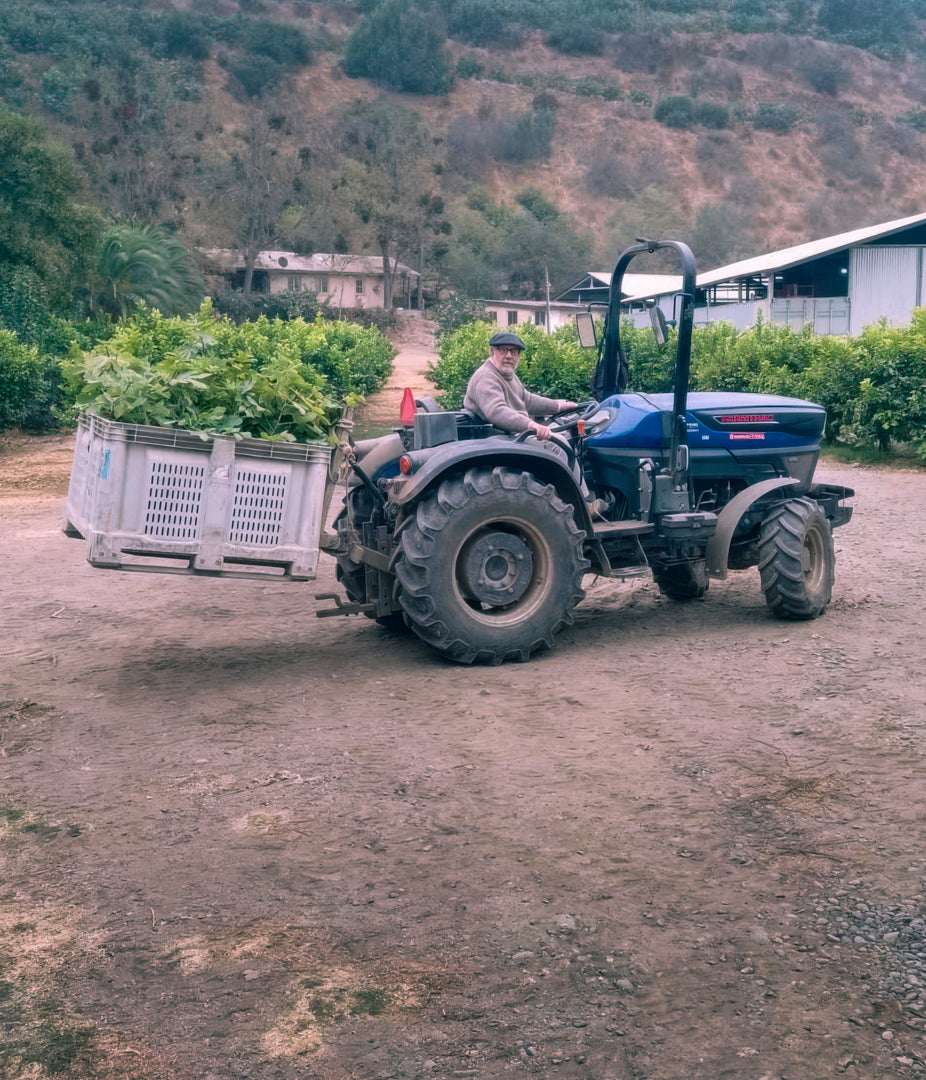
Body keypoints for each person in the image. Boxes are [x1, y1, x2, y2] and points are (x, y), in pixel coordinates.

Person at [463, 332, 577, 441]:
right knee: (560, 443)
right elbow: (497, 411)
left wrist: (559, 406)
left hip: (512, 436)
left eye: (514, 351)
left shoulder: (507, 374)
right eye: (503, 350)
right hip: (500, 440)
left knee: (565, 436)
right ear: (493, 352)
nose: (509, 356)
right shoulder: (485, 377)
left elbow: (527, 400)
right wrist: (531, 425)